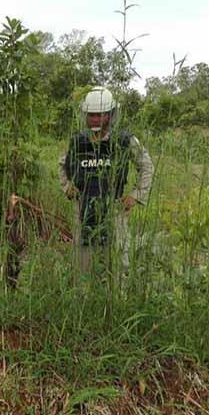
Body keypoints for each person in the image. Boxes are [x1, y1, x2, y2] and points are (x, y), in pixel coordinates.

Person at [58, 86, 153, 274]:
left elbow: (147, 166)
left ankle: (116, 291)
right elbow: (62, 164)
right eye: (91, 115)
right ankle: (86, 291)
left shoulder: (124, 140)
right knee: (83, 265)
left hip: (114, 210)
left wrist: (135, 196)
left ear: (110, 115)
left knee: (118, 266)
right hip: (82, 210)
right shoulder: (78, 141)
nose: (95, 119)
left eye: (100, 115)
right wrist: (67, 187)